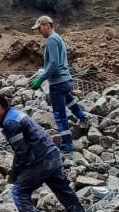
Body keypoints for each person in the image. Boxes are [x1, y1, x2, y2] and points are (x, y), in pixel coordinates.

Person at [0, 93, 91, 212]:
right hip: (53, 154)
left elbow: (21, 151)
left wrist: (15, 173)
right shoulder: (17, 114)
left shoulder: (10, 122)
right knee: (63, 190)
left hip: (41, 160)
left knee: (19, 190)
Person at [28, 15, 89, 153]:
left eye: (39, 28)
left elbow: (54, 63)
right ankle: (83, 118)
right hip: (66, 80)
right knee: (69, 100)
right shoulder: (58, 38)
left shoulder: (51, 40)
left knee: (59, 116)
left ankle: (67, 146)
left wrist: (41, 78)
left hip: (57, 82)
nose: (39, 32)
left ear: (46, 25)